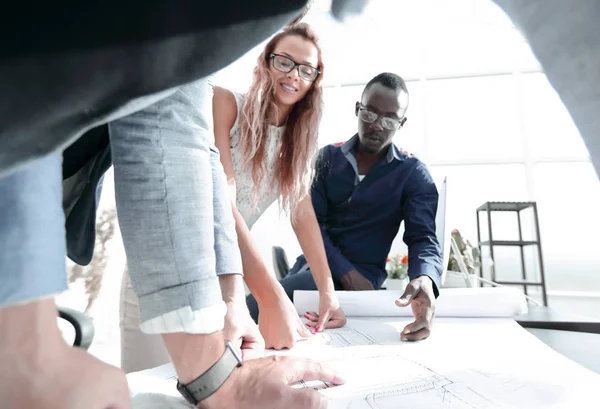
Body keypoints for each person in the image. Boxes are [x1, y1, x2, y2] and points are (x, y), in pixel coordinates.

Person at [118, 23, 347, 374]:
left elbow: (303, 214)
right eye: (284, 61)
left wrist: (327, 291)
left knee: (209, 395)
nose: (293, 75)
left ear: (314, 81)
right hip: (165, 276)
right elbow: (219, 201)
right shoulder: (225, 104)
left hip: (226, 286)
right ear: (265, 63)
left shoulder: (297, 147)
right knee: (148, 393)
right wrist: (271, 295)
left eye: (306, 69)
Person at [253, 72, 444, 342]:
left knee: (259, 305)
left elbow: (423, 237)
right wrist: (345, 271)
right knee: (262, 306)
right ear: (358, 109)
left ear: (402, 123)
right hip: (312, 267)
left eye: (389, 119)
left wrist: (425, 278)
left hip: (361, 281)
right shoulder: (327, 159)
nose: (377, 125)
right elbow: (313, 224)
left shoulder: (413, 174)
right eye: (369, 114)